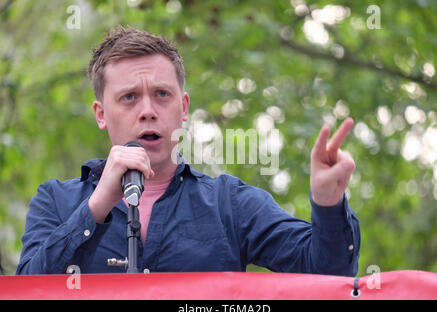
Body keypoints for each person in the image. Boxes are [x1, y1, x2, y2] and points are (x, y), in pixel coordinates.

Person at [16, 26, 360, 276]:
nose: (148, 110)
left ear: (183, 108)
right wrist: (95, 208)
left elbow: (329, 274)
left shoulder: (231, 204)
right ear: (101, 114)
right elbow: (26, 289)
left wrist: (327, 201)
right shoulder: (56, 202)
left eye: (162, 95)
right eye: (129, 97)